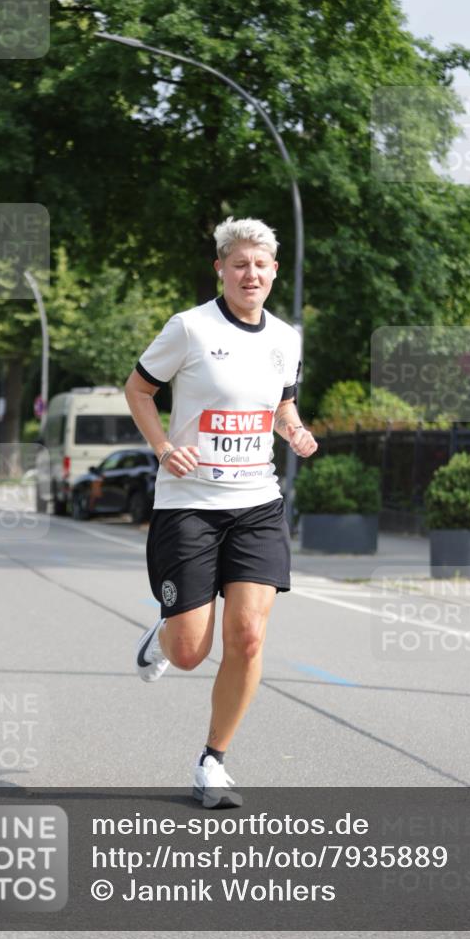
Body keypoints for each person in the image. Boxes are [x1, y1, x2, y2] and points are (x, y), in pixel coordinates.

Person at [125, 216, 318, 809]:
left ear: (274, 271)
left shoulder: (287, 338)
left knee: (250, 637)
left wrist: (296, 431)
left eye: (260, 264)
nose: (250, 273)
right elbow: (137, 390)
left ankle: (213, 762)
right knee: (190, 652)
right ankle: (164, 633)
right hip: (190, 505)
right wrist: (163, 448)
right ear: (221, 269)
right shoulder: (189, 328)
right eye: (239, 264)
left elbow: (281, 407)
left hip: (256, 504)